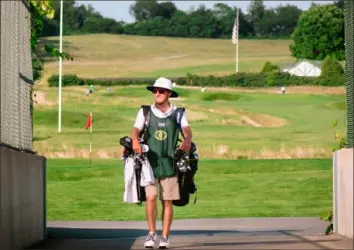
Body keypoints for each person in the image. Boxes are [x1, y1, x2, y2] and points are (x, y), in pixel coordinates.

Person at [130, 77, 193, 249]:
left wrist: (188, 138)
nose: (157, 94)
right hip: (149, 164)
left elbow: (186, 129)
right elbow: (136, 128)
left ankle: (165, 237)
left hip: (170, 163)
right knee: (151, 197)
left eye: (161, 91)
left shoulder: (178, 113)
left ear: (169, 93)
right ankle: (151, 233)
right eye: (155, 91)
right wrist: (135, 140)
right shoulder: (145, 112)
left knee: (167, 201)